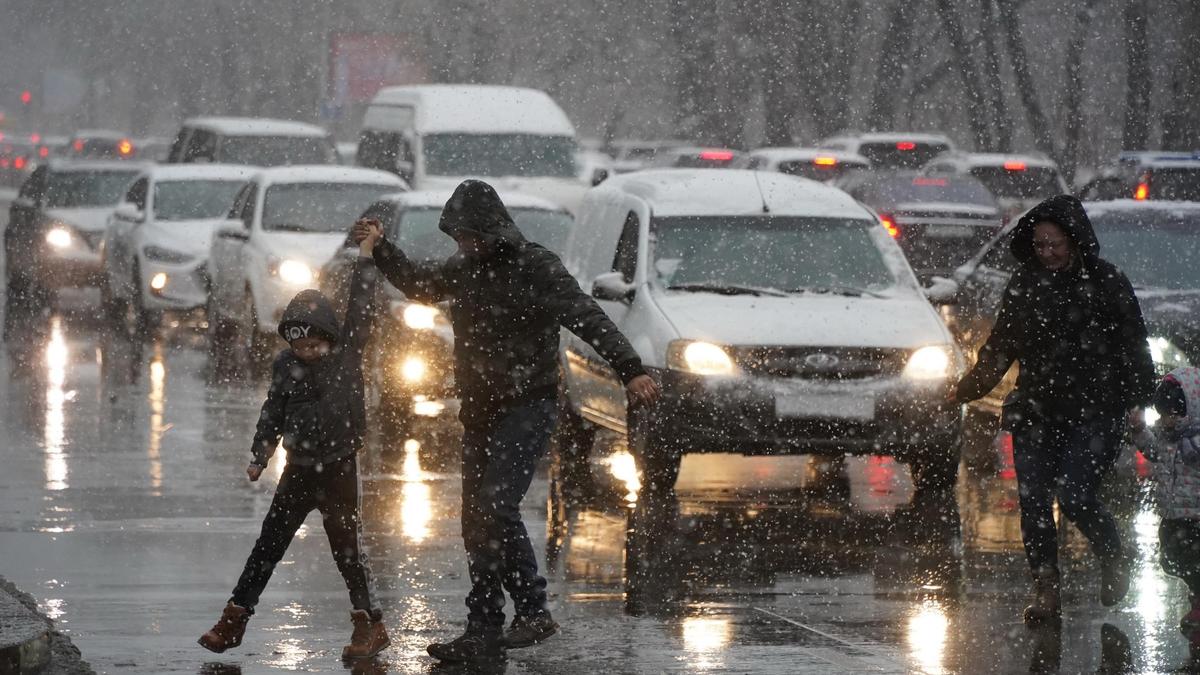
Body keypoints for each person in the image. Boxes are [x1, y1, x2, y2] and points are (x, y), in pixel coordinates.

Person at [354, 180, 660, 663]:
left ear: (492, 229)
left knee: (496, 507)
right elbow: (420, 284)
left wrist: (631, 368)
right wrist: (382, 248)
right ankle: (483, 626)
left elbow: (585, 315)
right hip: (480, 407)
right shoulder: (464, 266)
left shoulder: (536, 266)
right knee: (475, 519)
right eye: (457, 237)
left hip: (528, 404)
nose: (464, 245)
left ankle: (534, 610)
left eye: (469, 235)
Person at [949, 194, 1156, 624]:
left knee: (1077, 494)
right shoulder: (1025, 285)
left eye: (1055, 244)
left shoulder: (1107, 282)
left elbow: (1134, 345)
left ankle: (1111, 553)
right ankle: (1045, 589)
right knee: (1035, 502)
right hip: (1036, 410)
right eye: (1040, 245)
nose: (1047, 253)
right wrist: (965, 390)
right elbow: (1000, 346)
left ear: (1075, 240)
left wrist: (1140, 399)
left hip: (1097, 410)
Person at [198, 219, 390, 661]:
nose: (307, 353)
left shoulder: (346, 356)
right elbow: (273, 411)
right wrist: (260, 454)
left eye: (313, 344)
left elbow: (362, 306)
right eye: (299, 346)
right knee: (268, 545)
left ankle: (369, 623)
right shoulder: (286, 366)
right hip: (299, 469)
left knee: (347, 551)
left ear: (328, 337)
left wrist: (367, 256)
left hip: (339, 468)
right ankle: (234, 619)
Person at [1132, 366, 1200, 643]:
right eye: (1163, 414)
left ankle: (1198, 605)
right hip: (1173, 514)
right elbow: (1152, 451)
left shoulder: (1195, 440)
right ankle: (1197, 600)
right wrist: (1138, 430)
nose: (1167, 420)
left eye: (1173, 414)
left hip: (1196, 516)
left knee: (1193, 562)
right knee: (1172, 560)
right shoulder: (1166, 437)